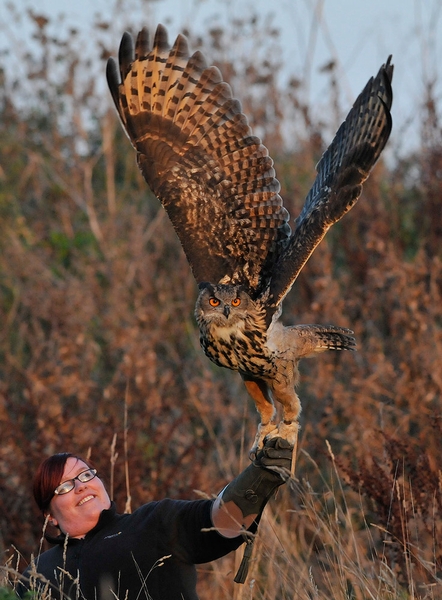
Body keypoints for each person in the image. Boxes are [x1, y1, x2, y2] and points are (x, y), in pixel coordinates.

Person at [18, 437, 293, 600]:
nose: (81, 486)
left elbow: (218, 520)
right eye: (64, 486)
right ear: (49, 515)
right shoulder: (36, 575)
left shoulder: (153, 522)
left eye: (86, 474)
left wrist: (256, 480)